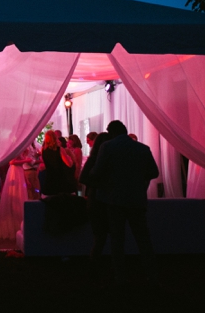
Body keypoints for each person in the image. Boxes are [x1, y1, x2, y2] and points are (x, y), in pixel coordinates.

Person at [90, 120, 159, 284]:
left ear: (111, 132)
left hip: (115, 200)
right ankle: (151, 274)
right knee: (143, 238)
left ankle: (120, 275)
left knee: (117, 239)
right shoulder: (143, 148)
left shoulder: (107, 147)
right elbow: (154, 172)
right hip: (137, 199)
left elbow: (96, 172)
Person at [0, 151, 28, 242]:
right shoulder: (16, 149)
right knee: (15, 196)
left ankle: (19, 225)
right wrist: (25, 160)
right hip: (15, 172)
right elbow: (12, 162)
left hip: (19, 172)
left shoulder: (22, 149)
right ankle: (13, 226)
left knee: (21, 196)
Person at [40, 130, 76, 196]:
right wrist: (70, 158)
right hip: (60, 178)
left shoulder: (43, 150)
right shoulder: (60, 149)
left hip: (49, 179)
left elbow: (44, 163)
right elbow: (69, 164)